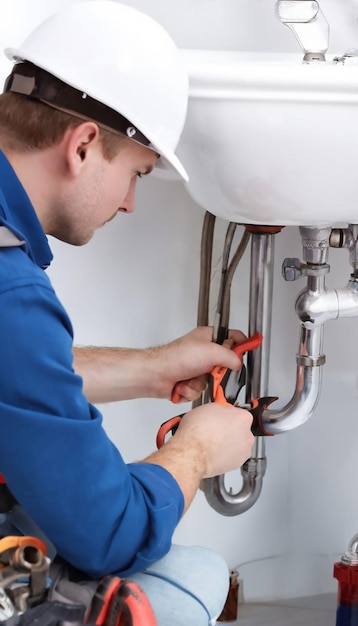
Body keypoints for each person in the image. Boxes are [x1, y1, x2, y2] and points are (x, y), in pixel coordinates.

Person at [0, 2, 255, 624]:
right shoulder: (11, 292)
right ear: (85, 144)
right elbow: (110, 536)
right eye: (136, 173)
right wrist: (196, 450)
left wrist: (152, 368)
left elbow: (14, 377)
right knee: (188, 582)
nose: (132, 203)